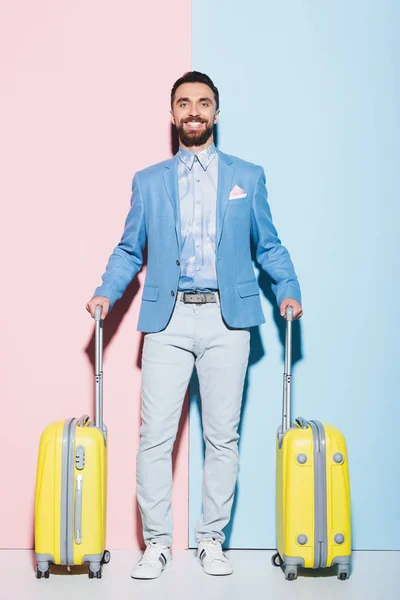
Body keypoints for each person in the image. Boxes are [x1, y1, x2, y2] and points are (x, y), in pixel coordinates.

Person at [86, 71, 303, 579]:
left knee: (222, 437)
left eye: (203, 103)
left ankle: (211, 540)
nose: (194, 111)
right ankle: (157, 543)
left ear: (216, 114)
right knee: (155, 437)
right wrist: (105, 291)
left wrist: (288, 289)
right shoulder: (148, 180)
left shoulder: (247, 177)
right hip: (169, 318)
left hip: (230, 320)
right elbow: (127, 249)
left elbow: (267, 245)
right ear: (172, 114)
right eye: (184, 103)